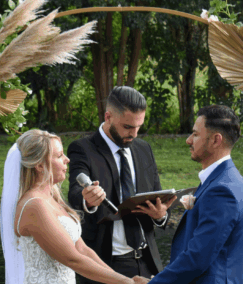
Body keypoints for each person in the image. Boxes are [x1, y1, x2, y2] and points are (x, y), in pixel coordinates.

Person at [0, 129, 147, 284]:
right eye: (59, 155)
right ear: (40, 165)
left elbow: (82, 249)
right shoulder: (34, 206)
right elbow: (72, 259)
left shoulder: (51, 199)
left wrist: (123, 280)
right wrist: (128, 283)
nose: (67, 159)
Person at [67, 86, 176, 284]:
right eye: (127, 127)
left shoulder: (144, 149)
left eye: (138, 127)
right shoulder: (82, 148)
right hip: (105, 264)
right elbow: (74, 193)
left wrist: (160, 216)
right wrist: (87, 199)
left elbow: (156, 197)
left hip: (147, 262)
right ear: (108, 117)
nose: (134, 134)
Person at [148, 105, 243, 284]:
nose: (189, 140)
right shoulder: (225, 178)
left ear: (215, 140)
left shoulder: (222, 190)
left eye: (195, 135)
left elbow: (198, 257)